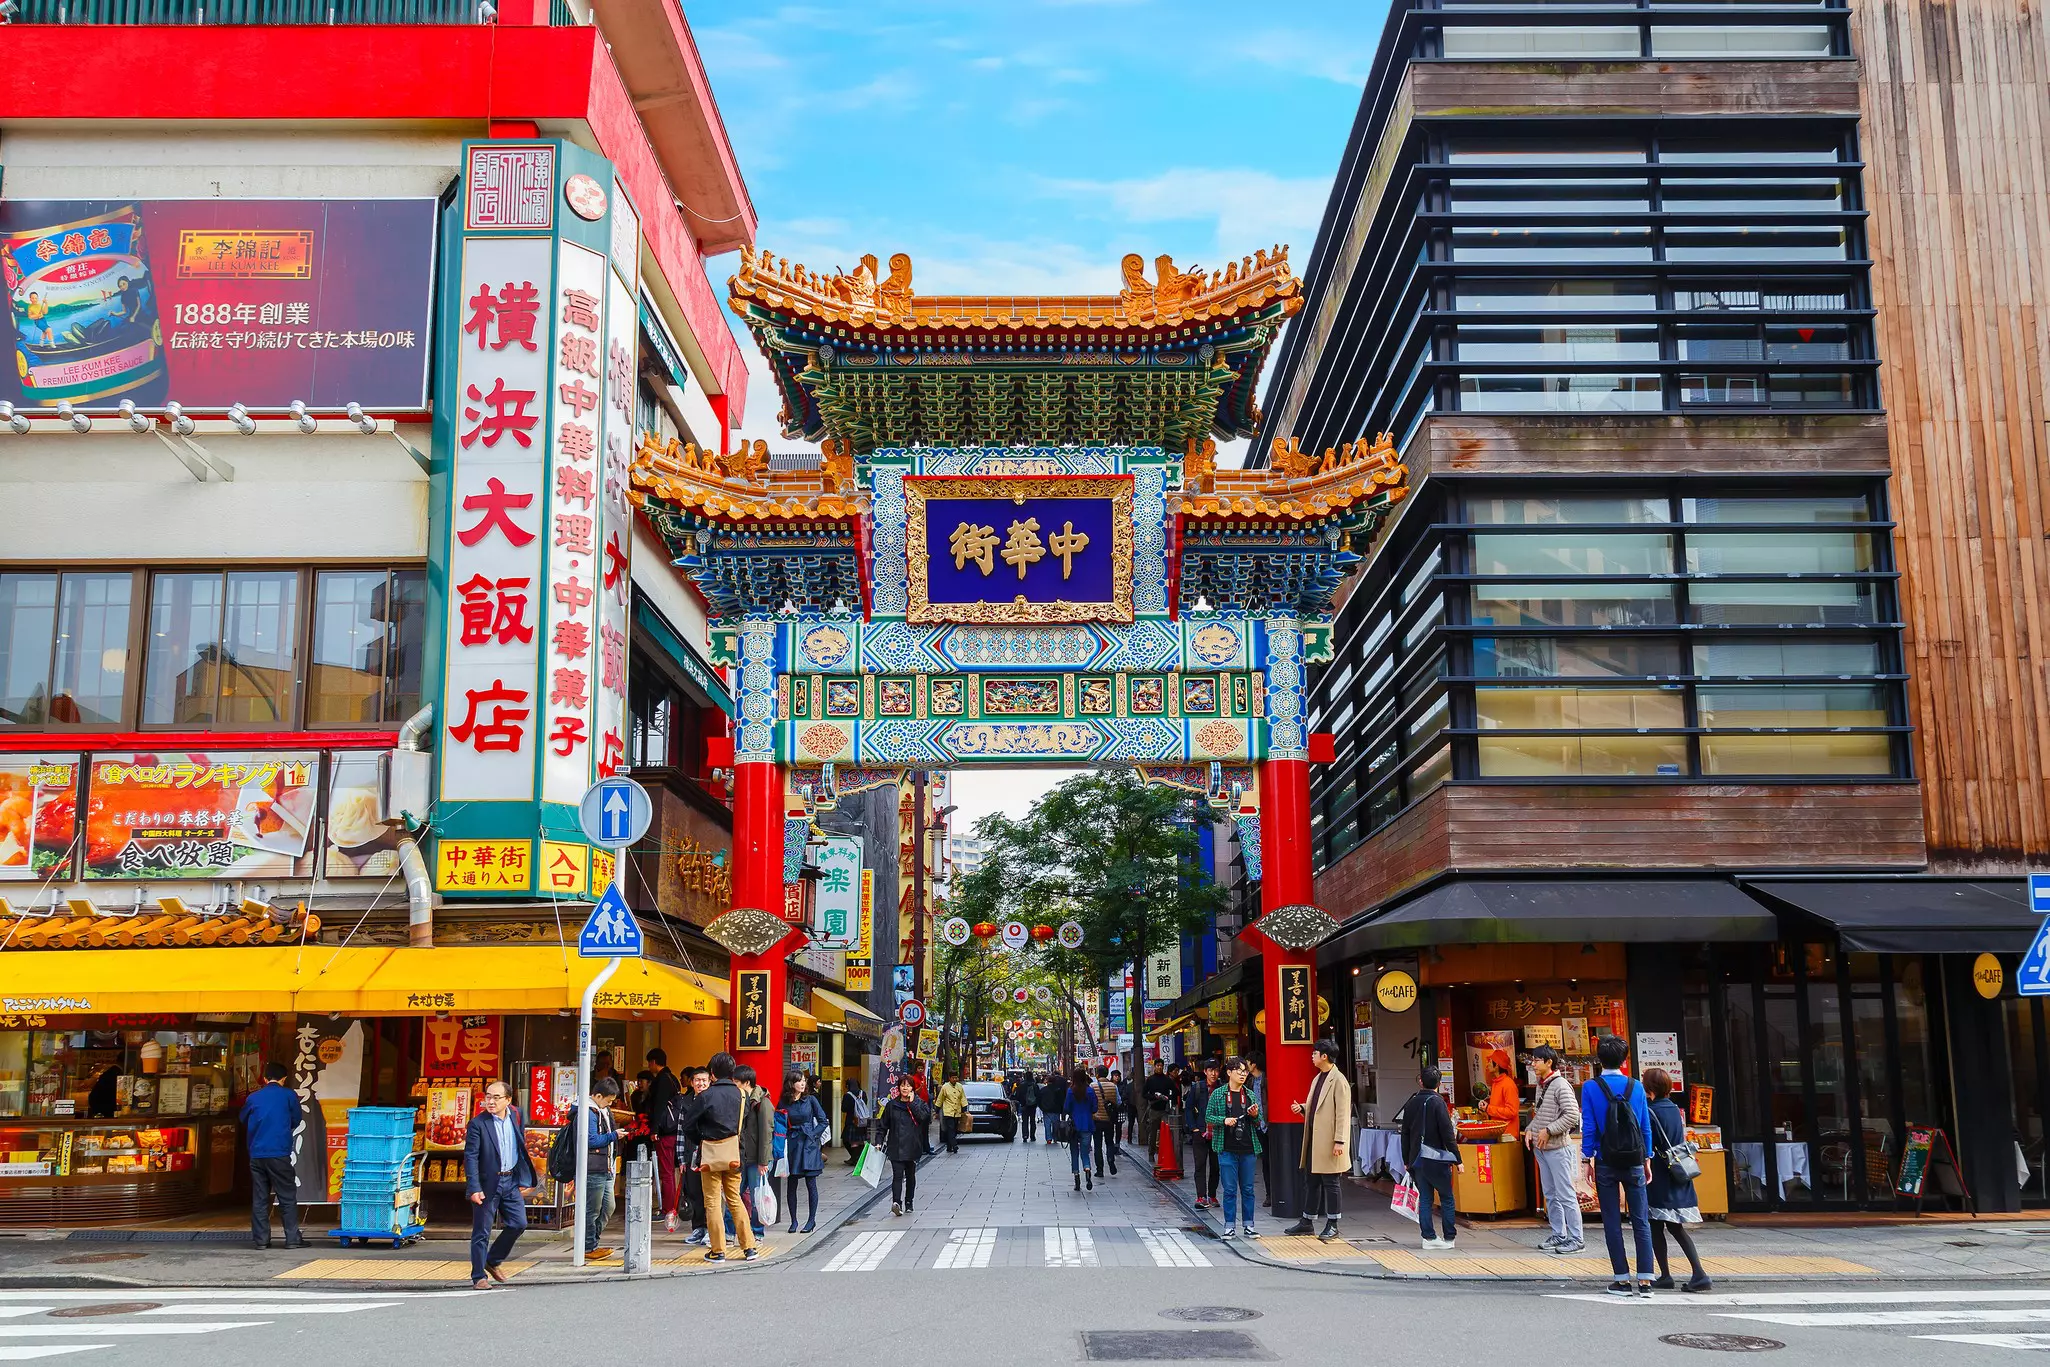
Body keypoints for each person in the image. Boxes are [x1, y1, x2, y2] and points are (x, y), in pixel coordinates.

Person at [1581, 1034, 1655, 1296]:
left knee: (1612, 1220)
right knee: (1640, 1220)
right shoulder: (1636, 1086)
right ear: (1625, 1059)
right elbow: (1645, 1125)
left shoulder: (1590, 1088)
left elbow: (1588, 1126)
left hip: (1605, 1160)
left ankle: (1621, 1279)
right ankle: (1645, 1279)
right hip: (1635, 1159)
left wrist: (1586, 1158)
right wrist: (1647, 1158)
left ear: (1599, 1059)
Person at [1643, 1068, 1712, 1292]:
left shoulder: (1650, 1111)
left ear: (1650, 1089)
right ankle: (1678, 1274)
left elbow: (1648, 1144)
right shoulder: (1673, 1108)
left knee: (1661, 1225)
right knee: (1672, 1227)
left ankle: (1690, 1274)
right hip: (1678, 1170)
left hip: (1660, 1174)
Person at [462, 1077, 535, 1288]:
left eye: (496, 1097)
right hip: (487, 1184)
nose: (490, 1102)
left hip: (510, 1181)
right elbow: (471, 1157)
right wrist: (474, 1187)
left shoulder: (517, 1116)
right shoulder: (478, 1123)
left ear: (508, 1100)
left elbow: (520, 1147)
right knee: (482, 1231)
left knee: (519, 1223)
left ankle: (492, 1261)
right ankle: (478, 1277)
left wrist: (523, 1177)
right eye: (487, 1097)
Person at [689, 1053, 757, 1262]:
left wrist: (701, 1139)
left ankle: (718, 1251)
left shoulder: (705, 1096)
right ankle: (749, 1247)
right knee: (734, 1198)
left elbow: (689, 1125)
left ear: (712, 1074)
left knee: (712, 1202)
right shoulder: (742, 1095)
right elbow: (744, 1125)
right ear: (733, 1071)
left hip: (710, 1155)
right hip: (734, 1154)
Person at [1285, 1040, 1354, 1241]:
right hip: (1316, 1140)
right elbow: (1317, 1104)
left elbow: (1343, 1113)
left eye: (1315, 1053)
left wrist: (1340, 1141)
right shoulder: (1319, 1078)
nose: (1312, 1056)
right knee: (1312, 1181)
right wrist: (1304, 1108)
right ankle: (1307, 1221)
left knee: (1331, 1182)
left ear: (1324, 1056)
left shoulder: (1338, 1080)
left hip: (1330, 1140)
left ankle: (1333, 1224)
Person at [1526, 1045, 1584, 1254]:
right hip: (1543, 1149)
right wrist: (1530, 1130)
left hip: (1557, 1148)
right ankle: (1559, 1234)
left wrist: (1548, 1131)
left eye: (1536, 1060)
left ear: (1549, 1062)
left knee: (1565, 1194)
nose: (1533, 1064)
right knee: (1550, 1194)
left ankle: (1576, 1238)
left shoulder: (1561, 1085)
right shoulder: (1542, 1085)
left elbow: (1572, 1116)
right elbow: (1540, 1113)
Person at [241, 1061, 305, 1251]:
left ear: (264, 1078)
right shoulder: (288, 1095)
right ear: (283, 1079)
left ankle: (261, 1240)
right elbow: (296, 1119)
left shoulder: (253, 1098)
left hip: (257, 1153)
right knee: (286, 1195)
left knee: (260, 1197)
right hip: (278, 1152)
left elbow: (243, 1118)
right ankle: (292, 1239)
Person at [1399, 1065, 1462, 1251]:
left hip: (1416, 1158)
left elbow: (1405, 1133)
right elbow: (1447, 1133)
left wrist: (1406, 1159)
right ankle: (1449, 1238)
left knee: (1425, 1198)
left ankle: (1428, 1237)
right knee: (1447, 1198)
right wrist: (1458, 1159)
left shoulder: (1411, 1102)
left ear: (1421, 1082)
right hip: (1437, 1158)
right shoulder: (1438, 1103)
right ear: (1439, 1083)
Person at [1207, 1058, 1262, 1238]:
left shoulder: (1250, 1094)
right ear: (1229, 1073)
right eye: (1239, 1071)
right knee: (1229, 1190)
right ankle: (1229, 1225)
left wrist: (1255, 1115)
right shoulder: (1218, 1094)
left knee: (1248, 1189)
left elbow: (1257, 1122)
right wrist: (1223, 1120)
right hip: (1226, 1148)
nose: (1243, 1074)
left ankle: (1249, 1225)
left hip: (1248, 1148)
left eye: (1245, 1071)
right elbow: (1208, 1117)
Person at [578, 1076, 622, 1258]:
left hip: (606, 1166)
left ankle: (591, 1241)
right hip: (594, 1167)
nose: (609, 1104)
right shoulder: (589, 1111)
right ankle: (588, 1246)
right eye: (608, 1101)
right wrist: (614, 1135)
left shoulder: (601, 1110)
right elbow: (591, 1140)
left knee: (608, 1207)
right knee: (593, 1209)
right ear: (597, 1095)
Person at [781, 1073, 828, 1234]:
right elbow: (778, 1122)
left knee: (811, 1182)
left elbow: (823, 1120)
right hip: (792, 1143)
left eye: (803, 1081)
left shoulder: (811, 1100)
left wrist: (813, 1135)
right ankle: (793, 1221)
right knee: (792, 1182)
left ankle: (811, 1220)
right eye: (799, 1081)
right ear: (791, 1083)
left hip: (809, 1144)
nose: (802, 1083)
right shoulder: (784, 1101)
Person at [877, 1076, 929, 1216]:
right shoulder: (892, 1105)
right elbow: (883, 1125)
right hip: (896, 1145)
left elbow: (923, 1118)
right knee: (897, 1175)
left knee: (910, 1176)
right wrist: (878, 1141)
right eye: (902, 1085)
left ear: (912, 1088)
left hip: (913, 1145)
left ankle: (909, 1201)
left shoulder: (920, 1103)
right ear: (898, 1087)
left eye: (908, 1085)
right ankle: (896, 1203)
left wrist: (912, 1104)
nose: (905, 1088)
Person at [644, 1048, 683, 1233]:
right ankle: (671, 1207)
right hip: (675, 1130)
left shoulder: (661, 1080)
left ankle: (668, 1209)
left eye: (649, 1062)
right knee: (671, 1171)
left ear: (653, 1062)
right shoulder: (673, 1079)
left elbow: (659, 1106)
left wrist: (654, 1129)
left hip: (665, 1133)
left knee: (666, 1172)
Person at [735, 1064, 773, 1240]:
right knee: (733, 1196)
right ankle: (729, 1232)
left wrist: (763, 1161)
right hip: (740, 1156)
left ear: (746, 1082)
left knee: (757, 1197)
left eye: (736, 1082)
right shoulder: (739, 1100)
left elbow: (766, 1133)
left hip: (755, 1159)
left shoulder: (762, 1102)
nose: (733, 1085)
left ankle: (757, 1232)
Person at [677, 1066, 711, 1244]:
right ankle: (698, 1228)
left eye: (704, 1080)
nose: (701, 1083)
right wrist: (681, 1158)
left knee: (709, 1193)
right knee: (694, 1192)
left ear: (709, 1081)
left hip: (710, 1154)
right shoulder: (686, 1102)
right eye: (697, 1080)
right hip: (691, 1154)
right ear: (692, 1082)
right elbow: (681, 1132)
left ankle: (710, 1230)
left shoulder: (713, 1100)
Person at [1187, 1059, 1220, 1209]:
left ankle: (1212, 1195)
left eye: (1216, 1070)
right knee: (1199, 1165)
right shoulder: (1198, 1088)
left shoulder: (1222, 1087)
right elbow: (1188, 1108)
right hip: (1200, 1132)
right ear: (1205, 1072)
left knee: (1216, 1166)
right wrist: (1193, 1127)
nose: (1213, 1074)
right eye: (1210, 1070)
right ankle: (1201, 1196)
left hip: (1218, 1134)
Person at [1066, 1066, 1098, 1191]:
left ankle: (1077, 1177)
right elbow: (1095, 1108)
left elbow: (1066, 1107)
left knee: (1074, 1151)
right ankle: (1087, 1168)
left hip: (1074, 1125)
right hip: (1087, 1124)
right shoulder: (1090, 1091)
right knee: (1085, 1150)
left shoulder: (1070, 1091)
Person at [1141, 1060, 1175, 1164]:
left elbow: (1175, 1091)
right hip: (1154, 1109)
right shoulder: (1150, 1080)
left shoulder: (1167, 1080)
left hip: (1164, 1110)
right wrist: (1153, 1096)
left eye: (1161, 1065)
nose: (1159, 1067)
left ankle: (1164, 1153)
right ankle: (1151, 1153)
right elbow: (1144, 1093)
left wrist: (1168, 1097)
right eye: (1158, 1065)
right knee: (1153, 1132)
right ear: (1154, 1066)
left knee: (1165, 1133)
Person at [1486, 1051, 1522, 1140]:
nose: (1488, 1064)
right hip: (1498, 1132)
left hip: (1508, 1135)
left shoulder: (1508, 1084)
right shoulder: (1495, 1083)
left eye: (1490, 1061)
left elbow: (1512, 1111)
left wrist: (1489, 1108)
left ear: (1497, 1065)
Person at [1091, 1066, 1120, 1176]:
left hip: (1097, 1119)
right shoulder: (1113, 1086)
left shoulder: (1092, 1086)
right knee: (1109, 1142)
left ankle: (1100, 1170)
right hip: (1109, 1119)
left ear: (1097, 1074)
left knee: (1097, 1145)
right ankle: (1111, 1162)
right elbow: (1118, 1101)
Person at [937, 1070, 967, 1155]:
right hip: (948, 1111)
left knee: (955, 1129)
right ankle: (954, 1145)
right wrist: (937, 1109)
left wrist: (964, 1108)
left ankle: (949, 1146)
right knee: (950, 1129)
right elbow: (940, 1099)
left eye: (956, 1078)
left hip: (957, 1111)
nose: (955, 1079)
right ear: (949, 1078)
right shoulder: (945, 1087)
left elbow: (962, 1098)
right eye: (953, 1078)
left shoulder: (960, 1086)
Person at [841, 1083, 870, 1165]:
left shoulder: (847, 1095)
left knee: (850, 1141)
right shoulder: (862, 1093)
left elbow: (844, 1109)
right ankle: (860, 1159)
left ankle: (855, 1159)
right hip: (862, 1120)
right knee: (860, 1141)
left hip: (851, 1121)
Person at [1041, 1068, 1068, 1145]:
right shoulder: (1059, 1088)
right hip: (1056, 1109)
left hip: (1046, 1109)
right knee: (1056, 1123)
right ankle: (1055, 1137)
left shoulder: (1044, 1090)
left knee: (1047, 1124)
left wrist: (1042, 1107)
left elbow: (1039, 1099)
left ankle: (1049, 1139)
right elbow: (1062, 1097)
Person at [1017, 1071, 1040, 1143]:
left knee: (1025, 1121)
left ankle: (1025, 1136)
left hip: (1024, 1105)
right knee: (1033, 1121)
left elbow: (1018, 1095)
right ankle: (1032, 1136)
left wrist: (1021, 1102)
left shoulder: (1022, 1085)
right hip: (1033, 1105)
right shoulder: (1034, 1085)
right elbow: (1038, 1095)